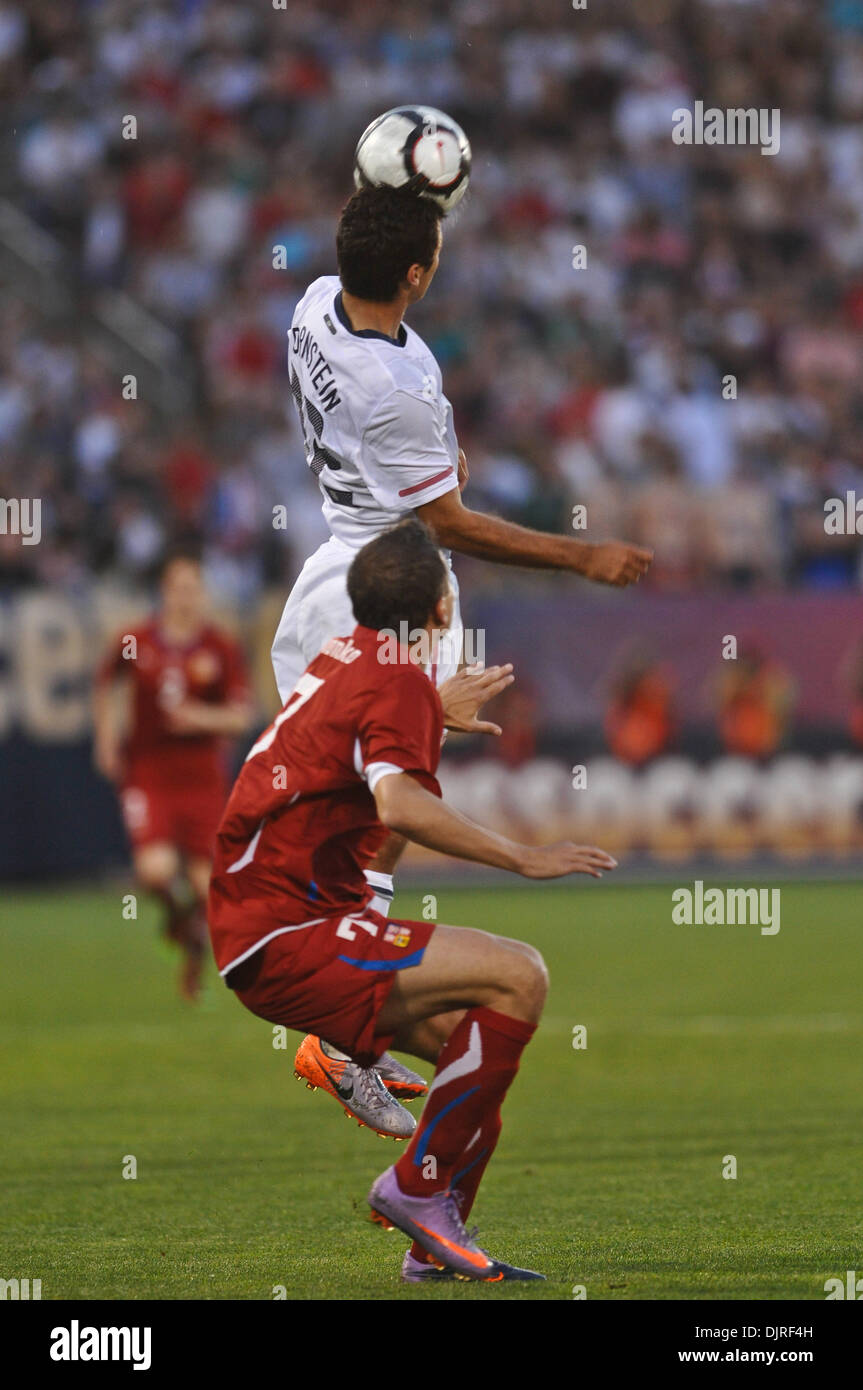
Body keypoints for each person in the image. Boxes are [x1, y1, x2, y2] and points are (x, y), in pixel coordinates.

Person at [274, 184, 651, 1124]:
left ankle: (339, 1022)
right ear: (414, 272)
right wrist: (580, 556)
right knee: (399, 788)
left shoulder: (314, 302)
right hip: (387, 584)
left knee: (365, 802)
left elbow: (424, 472)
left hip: (333, 570)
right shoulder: (392, 386)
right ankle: (334, 1028)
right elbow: (447, 518)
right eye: (432, 247)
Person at [210, 519, 617, 1282]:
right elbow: (397, 806)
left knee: (477, 1053)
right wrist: (522, 857)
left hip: (272, 923)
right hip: (290, 932)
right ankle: (412, 1189)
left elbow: (355, 753)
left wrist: (433, 709)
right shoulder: (396, 680)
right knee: (519, 973)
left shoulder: (353, 658)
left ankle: (429, 1241)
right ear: (440, 610)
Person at [93, 550, 252, 999]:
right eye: (178, 587)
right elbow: (106, 681)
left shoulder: (218, 647)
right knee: (154, 870)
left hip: (201, 778)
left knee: (208, 888)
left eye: (193, 588)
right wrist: (105, 738)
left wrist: (200, 717)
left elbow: (241, 716)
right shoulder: (136, 640)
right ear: (164, 591)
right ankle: (181, 926)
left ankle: (191, 949)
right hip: (148, 772)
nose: (186, 597)